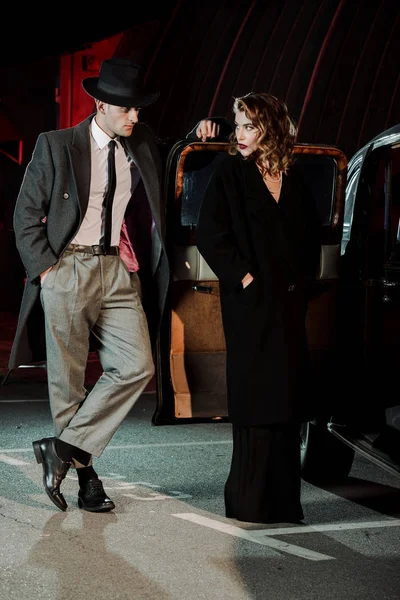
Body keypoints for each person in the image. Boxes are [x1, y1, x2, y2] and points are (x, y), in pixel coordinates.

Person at [9, 57, 221, 513]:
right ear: (101, 104)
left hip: (118, 271)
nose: (136, 116)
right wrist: (48, 272)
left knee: (137, 365)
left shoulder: (139, 141)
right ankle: (87, 481)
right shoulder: (57, 145)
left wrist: (206, 127)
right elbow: (24, 216)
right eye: (127, 109)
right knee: (68, 385)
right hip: (68, 269)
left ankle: (62, 450)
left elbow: (178, 150)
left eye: (138, 109)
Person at [195, 92, 321, 524]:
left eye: (250, 125)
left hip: (286, 306)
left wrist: (302, 286)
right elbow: (210, 232)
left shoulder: (294, 176)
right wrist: (243, 277)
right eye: (238, 125)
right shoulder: (230, 171)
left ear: (271, 128)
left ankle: (285, 503)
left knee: (286, 401)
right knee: (255, 400)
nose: (241, 134)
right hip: (250, 307)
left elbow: (309, 239)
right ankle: (248, 502)